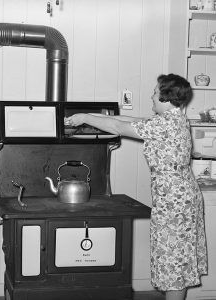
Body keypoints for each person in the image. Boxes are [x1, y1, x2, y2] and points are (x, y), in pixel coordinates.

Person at [64, 74, 208, 300]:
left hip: (174, 202)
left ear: (166, 97)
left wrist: (84, 117)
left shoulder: (164, 124)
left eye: (154, 92)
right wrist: (94, 115)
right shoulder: (175, 118)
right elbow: (131, 120)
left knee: (174, 264)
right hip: (182, 195)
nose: (151, 96)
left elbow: (117, 127)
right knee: (177, 260)